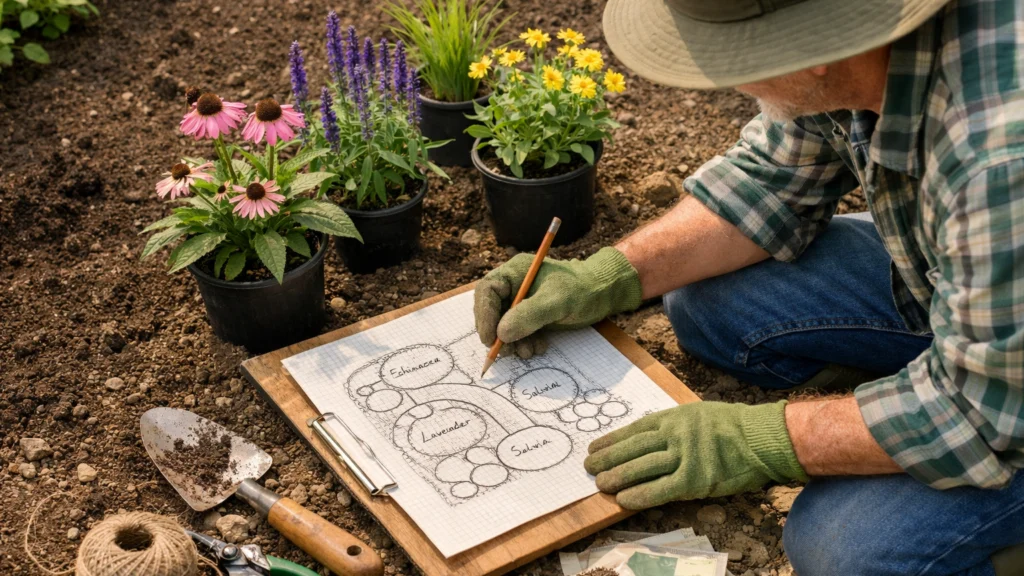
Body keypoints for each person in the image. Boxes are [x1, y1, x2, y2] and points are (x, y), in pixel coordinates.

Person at [473, 0, 1024, 573]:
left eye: (729, 52)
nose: (717, 77)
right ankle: (908, 389)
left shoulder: (997, 161)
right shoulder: (857, 57)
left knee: (845, 546)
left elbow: (973, 411)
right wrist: (605, 276)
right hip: (983, 292)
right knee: (706, 299)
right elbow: (768, 180)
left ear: (812, 46)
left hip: (1002, 401)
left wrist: (760, 440)